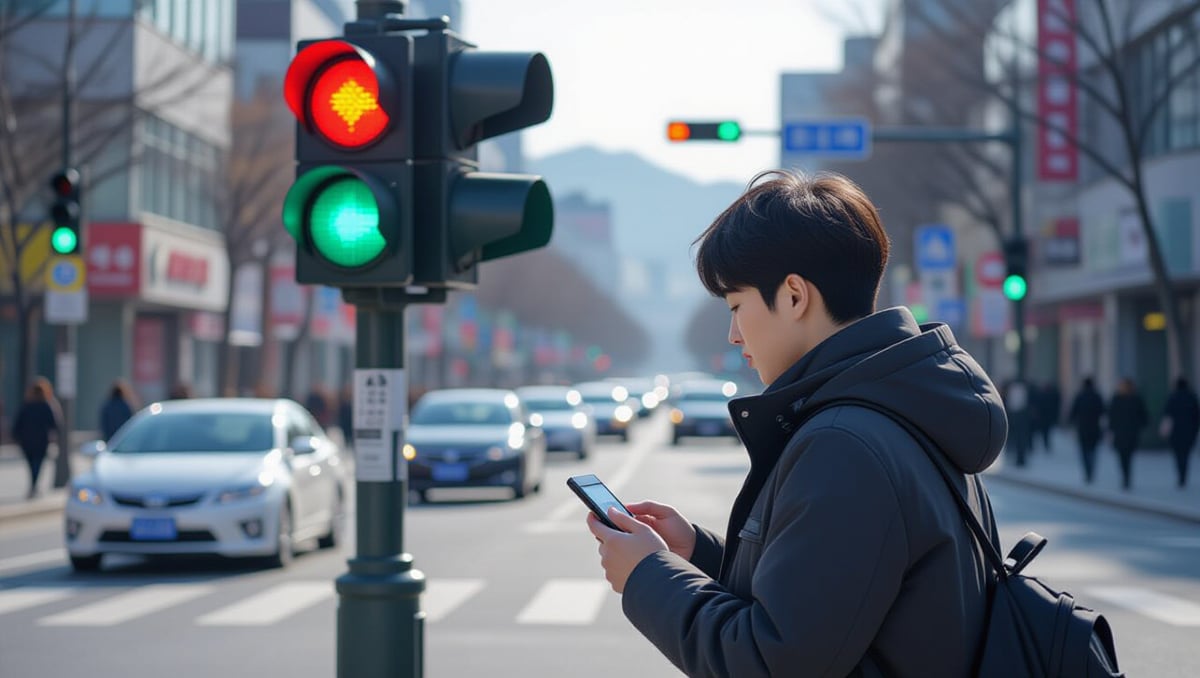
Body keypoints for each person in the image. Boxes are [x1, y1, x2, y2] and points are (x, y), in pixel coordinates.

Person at [585, 171, 1006, 676]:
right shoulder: (904, 406)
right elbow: (832, 604)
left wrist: (648, 577)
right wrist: (696, 554)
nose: (734, 334)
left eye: (737, 306)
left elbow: (770, 661)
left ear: (793, 296)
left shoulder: (844, 444)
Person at [11, 378, 64, 499]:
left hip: (26, 441)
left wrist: (16, 436)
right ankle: (34, 486)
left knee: (31, 465)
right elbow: (55, 424)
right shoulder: (46, 405)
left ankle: (33, 486)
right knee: (37, 465)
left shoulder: (26, 405)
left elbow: (17, 423)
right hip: (41, 441)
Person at [1108, 377, 1148, 490]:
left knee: (1123, 457)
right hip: (1129, 433)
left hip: (1122, 433)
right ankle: (1127, 477)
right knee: (1127, 457)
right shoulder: (1134, 399)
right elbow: (1143, 417)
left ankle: (1126, 477)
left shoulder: (1119, 399)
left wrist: (1111, 429)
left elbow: (1111, 416)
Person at [1160, 378, 1199, 488]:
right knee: (1186, 455)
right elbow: (1196, 416)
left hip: (1175, 432)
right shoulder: (1192, 397)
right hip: (1189, 431)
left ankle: (1181, 477)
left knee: (1178, 455)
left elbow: (1166, 414)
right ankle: (1184, 476)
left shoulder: (1173, 397)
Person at [1068, 377, 1106, 483]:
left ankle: (1087, 471)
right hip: (1094, 428)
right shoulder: (1097, 397)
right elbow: (1103, 411)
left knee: (1084, 451)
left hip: (1082, 428)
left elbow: (1073, 412)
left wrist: (1071, 423)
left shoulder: (1080, 396)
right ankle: (1091, 470)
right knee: (1093, 451)